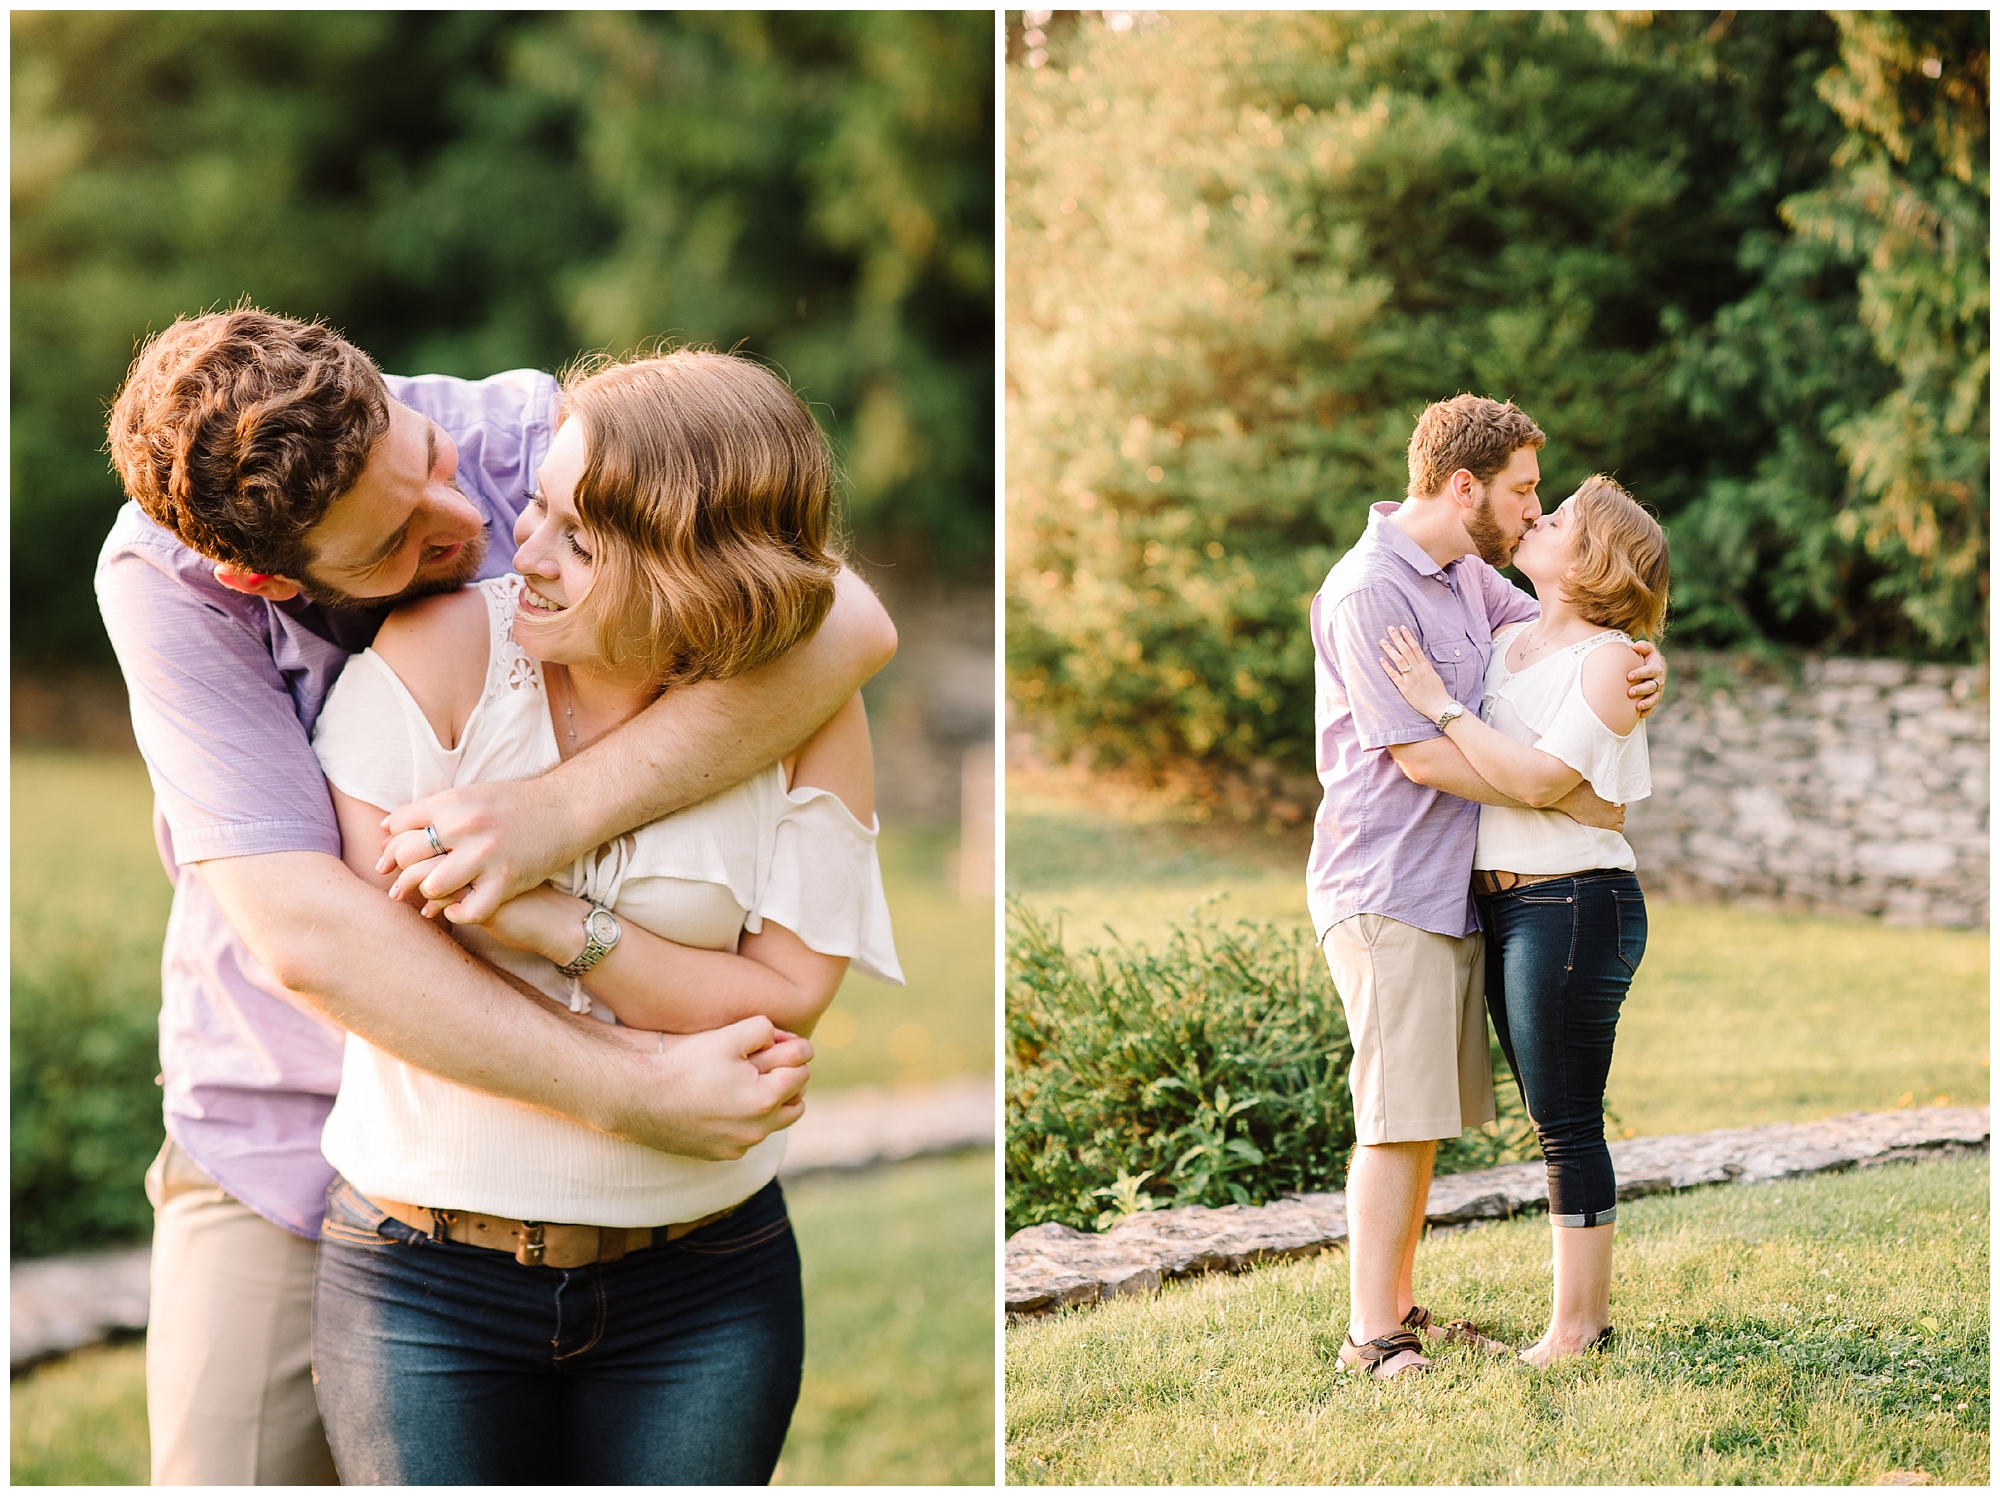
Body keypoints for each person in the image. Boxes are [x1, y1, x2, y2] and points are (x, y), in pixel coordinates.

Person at [97, 308, 897, 1483]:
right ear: (262, 578)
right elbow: (312, 934)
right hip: (286, 1094)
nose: (471, 522)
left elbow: (843, 619)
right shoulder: (169, 586)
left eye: (429, 459)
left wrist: (548, 820)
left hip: (647, 1229)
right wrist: (638, 1089)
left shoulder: (521, 433)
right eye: (398, 541)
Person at [1305, 395, 1667, 1381]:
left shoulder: (1467, 576)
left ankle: (1397, 1308)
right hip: (1387, 878)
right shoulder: (1368, 590)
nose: (1533, 508)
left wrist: (1644, 661)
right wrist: (1565, 793)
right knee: (1394, 1115)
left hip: (1463, 890)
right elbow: (1421, 758)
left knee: (1419, 1111)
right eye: (1523, 490)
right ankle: (1372, 1336)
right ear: (1463, 486)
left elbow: (1571, 634)